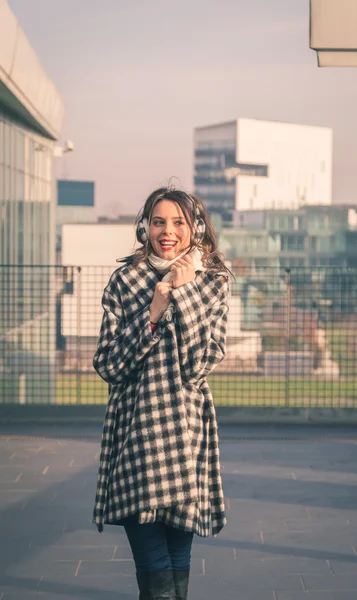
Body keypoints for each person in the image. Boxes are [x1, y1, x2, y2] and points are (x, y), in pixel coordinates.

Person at [92, 186, 232, 599]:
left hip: (186, 436)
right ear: (145, 226)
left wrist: (183, 293)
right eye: (158, 221)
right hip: (136, 435)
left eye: (178, 222)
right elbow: (108, 365)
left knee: (177, 563)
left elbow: (200, 364)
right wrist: (154, 308)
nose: (167, 231)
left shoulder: (214, 284)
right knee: (154, 565)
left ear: (196, 229)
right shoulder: (126, 281)